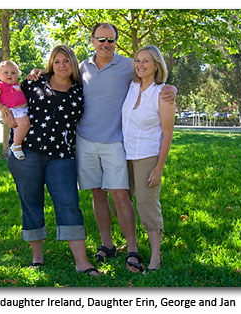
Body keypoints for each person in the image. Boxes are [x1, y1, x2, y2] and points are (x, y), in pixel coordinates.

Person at [75, 23, 177, 273]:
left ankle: (133, 249)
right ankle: (107, 244)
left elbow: (156, 83)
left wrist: (171, 88)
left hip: (116, 144)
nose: (106, 44)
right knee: (97, 193)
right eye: (101, 39)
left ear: (116, 42)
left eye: (111, 40)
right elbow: (58, 75)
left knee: (122, 195)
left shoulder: (125, 66)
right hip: (86, 141)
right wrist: (35, 74)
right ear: (92, 41)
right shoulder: (83, 68)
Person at [3, 45, 100, 276]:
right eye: (57, 61)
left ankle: (82, 262)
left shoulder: (80, 90)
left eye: (66, 61)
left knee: (69, 204)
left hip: (62, 156)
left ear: (73, 64)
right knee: (31, 202)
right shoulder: (34, 82)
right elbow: (8, 94)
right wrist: (2, 111)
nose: (62, 65)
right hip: (27, 152)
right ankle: (37, 257)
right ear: (51, 64)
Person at [122, 45, 175, 271]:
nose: (141, 65)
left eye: (146, 61)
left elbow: (168, 133)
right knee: (121, 201)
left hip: (148, 155)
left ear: (156, 65)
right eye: (138, 60)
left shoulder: (162, 93)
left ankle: (155, 256)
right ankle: (131, 244)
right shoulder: (131, 86)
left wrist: (158, 168)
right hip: (124, 154)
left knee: (147, 205)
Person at [0, 60, 30, 160]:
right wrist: (2, 108)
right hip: (13, 111)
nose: (9, 75)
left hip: (22, 110)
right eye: (6, 72)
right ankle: (16, 146)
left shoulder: (16, 85)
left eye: (13, 73)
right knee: (25, 124)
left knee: (22, 126)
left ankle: (18, 142)